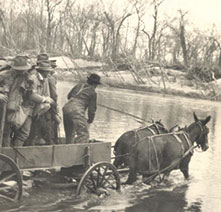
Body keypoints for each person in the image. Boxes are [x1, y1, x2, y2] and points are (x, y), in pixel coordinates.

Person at [1, 55, 54, 147]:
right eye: (19, 69)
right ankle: (4, 156)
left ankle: (12, 155)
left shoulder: (27, 77)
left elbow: (29, 94)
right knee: (5, 132)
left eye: (23, 69)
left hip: (15, 107)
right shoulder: (4, 75)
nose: (22, 71)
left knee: (18, 132)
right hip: (2, 106)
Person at [62, 73, 101, 143]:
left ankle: (68, 149)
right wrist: (90, 120)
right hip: (77, 110)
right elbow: (92, 110)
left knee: (69, 134)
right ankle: (79, 153)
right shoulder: (93, 93)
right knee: (84, 135)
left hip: (66, 108)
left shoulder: (79, 85)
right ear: (95, 84)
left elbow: (69, 96)